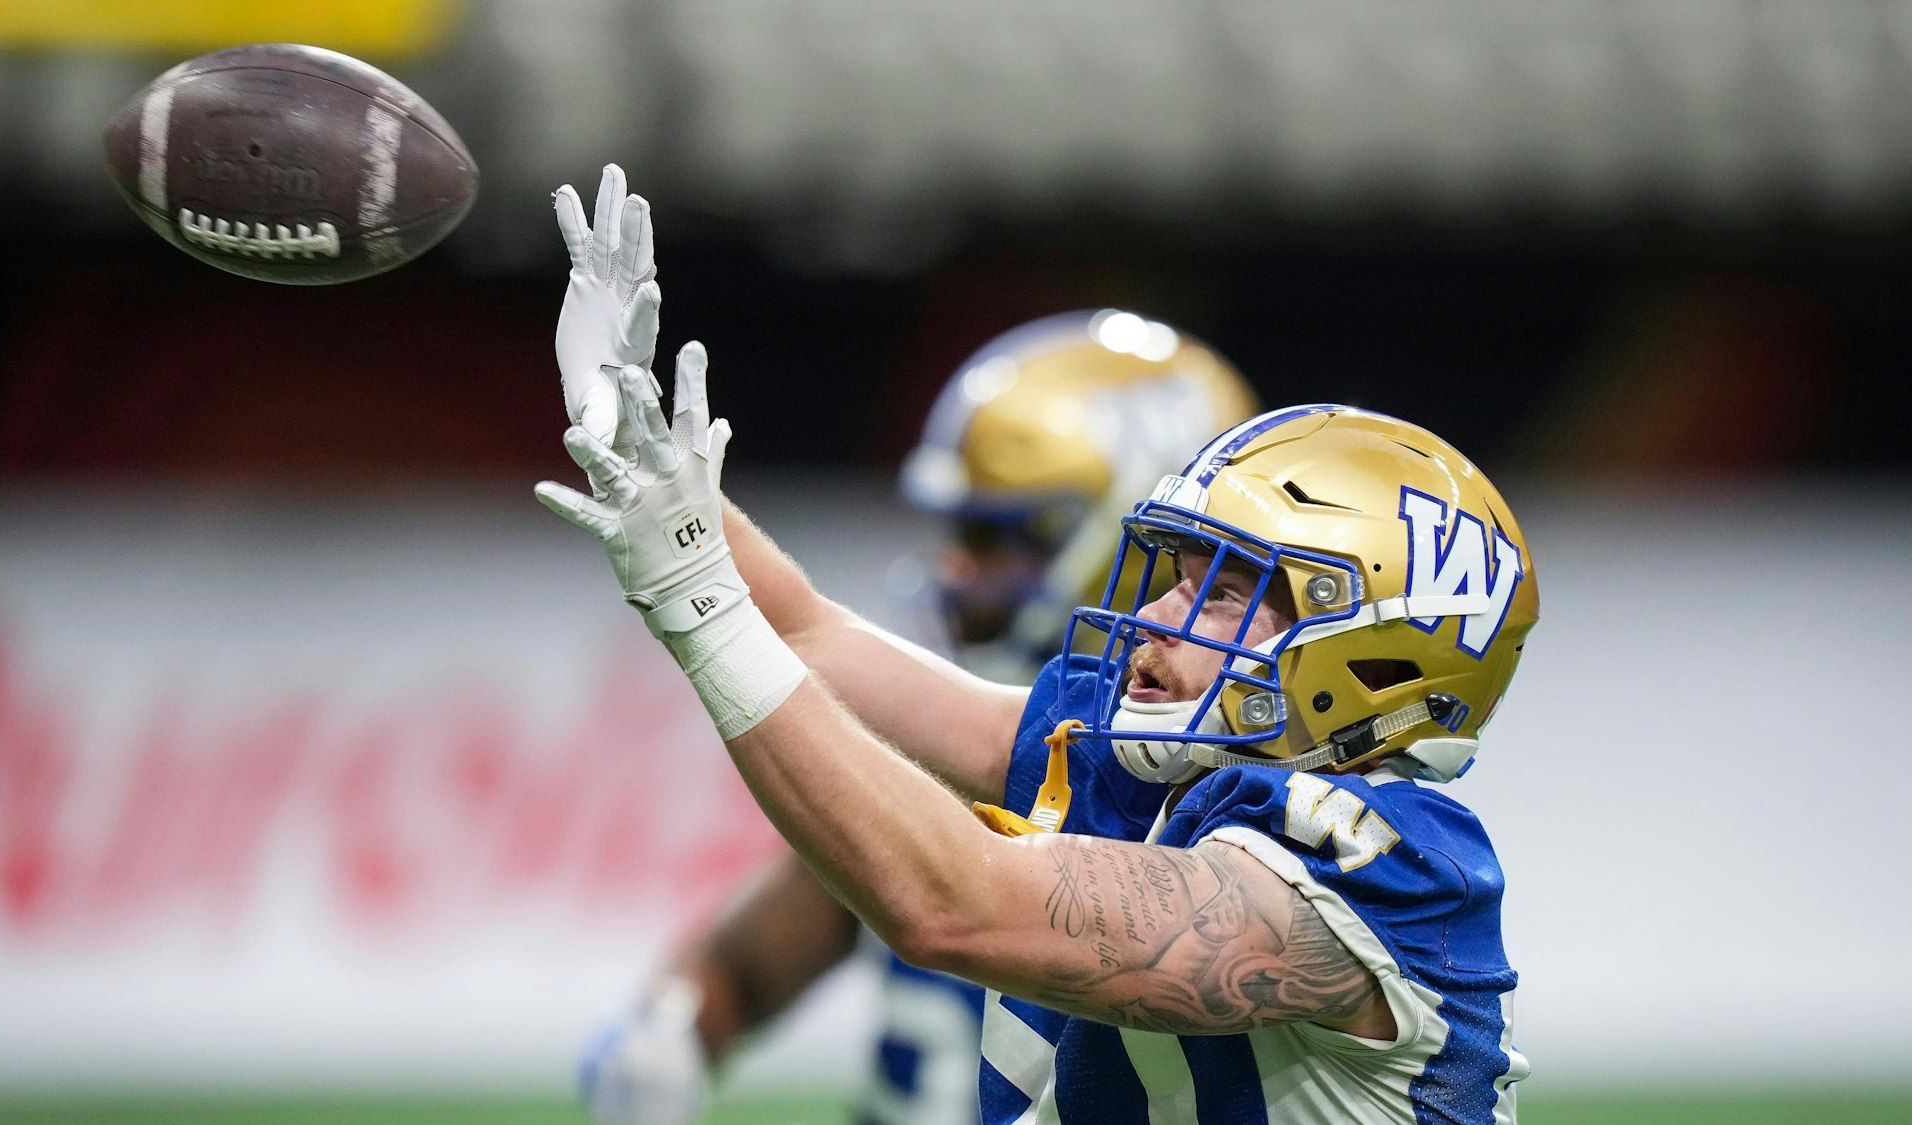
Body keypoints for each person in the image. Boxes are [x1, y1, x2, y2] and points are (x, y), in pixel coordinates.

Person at [541, 167, 1537, 1124]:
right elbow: (809, 631)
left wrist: (695, 595)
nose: (1158, 616)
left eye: (1225, 593)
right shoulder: (1143, 767)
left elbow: (952, 905)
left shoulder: (1381, 869)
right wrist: (621, 430)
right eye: (1179, 577)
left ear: (1371, 660)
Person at [575, 307, 1261, 1125]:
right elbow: (750, 955)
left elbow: (949, 908)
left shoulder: (1243, 813)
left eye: (992, 536)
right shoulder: (1015, 737)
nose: (956, 567)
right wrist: (673, 1032)